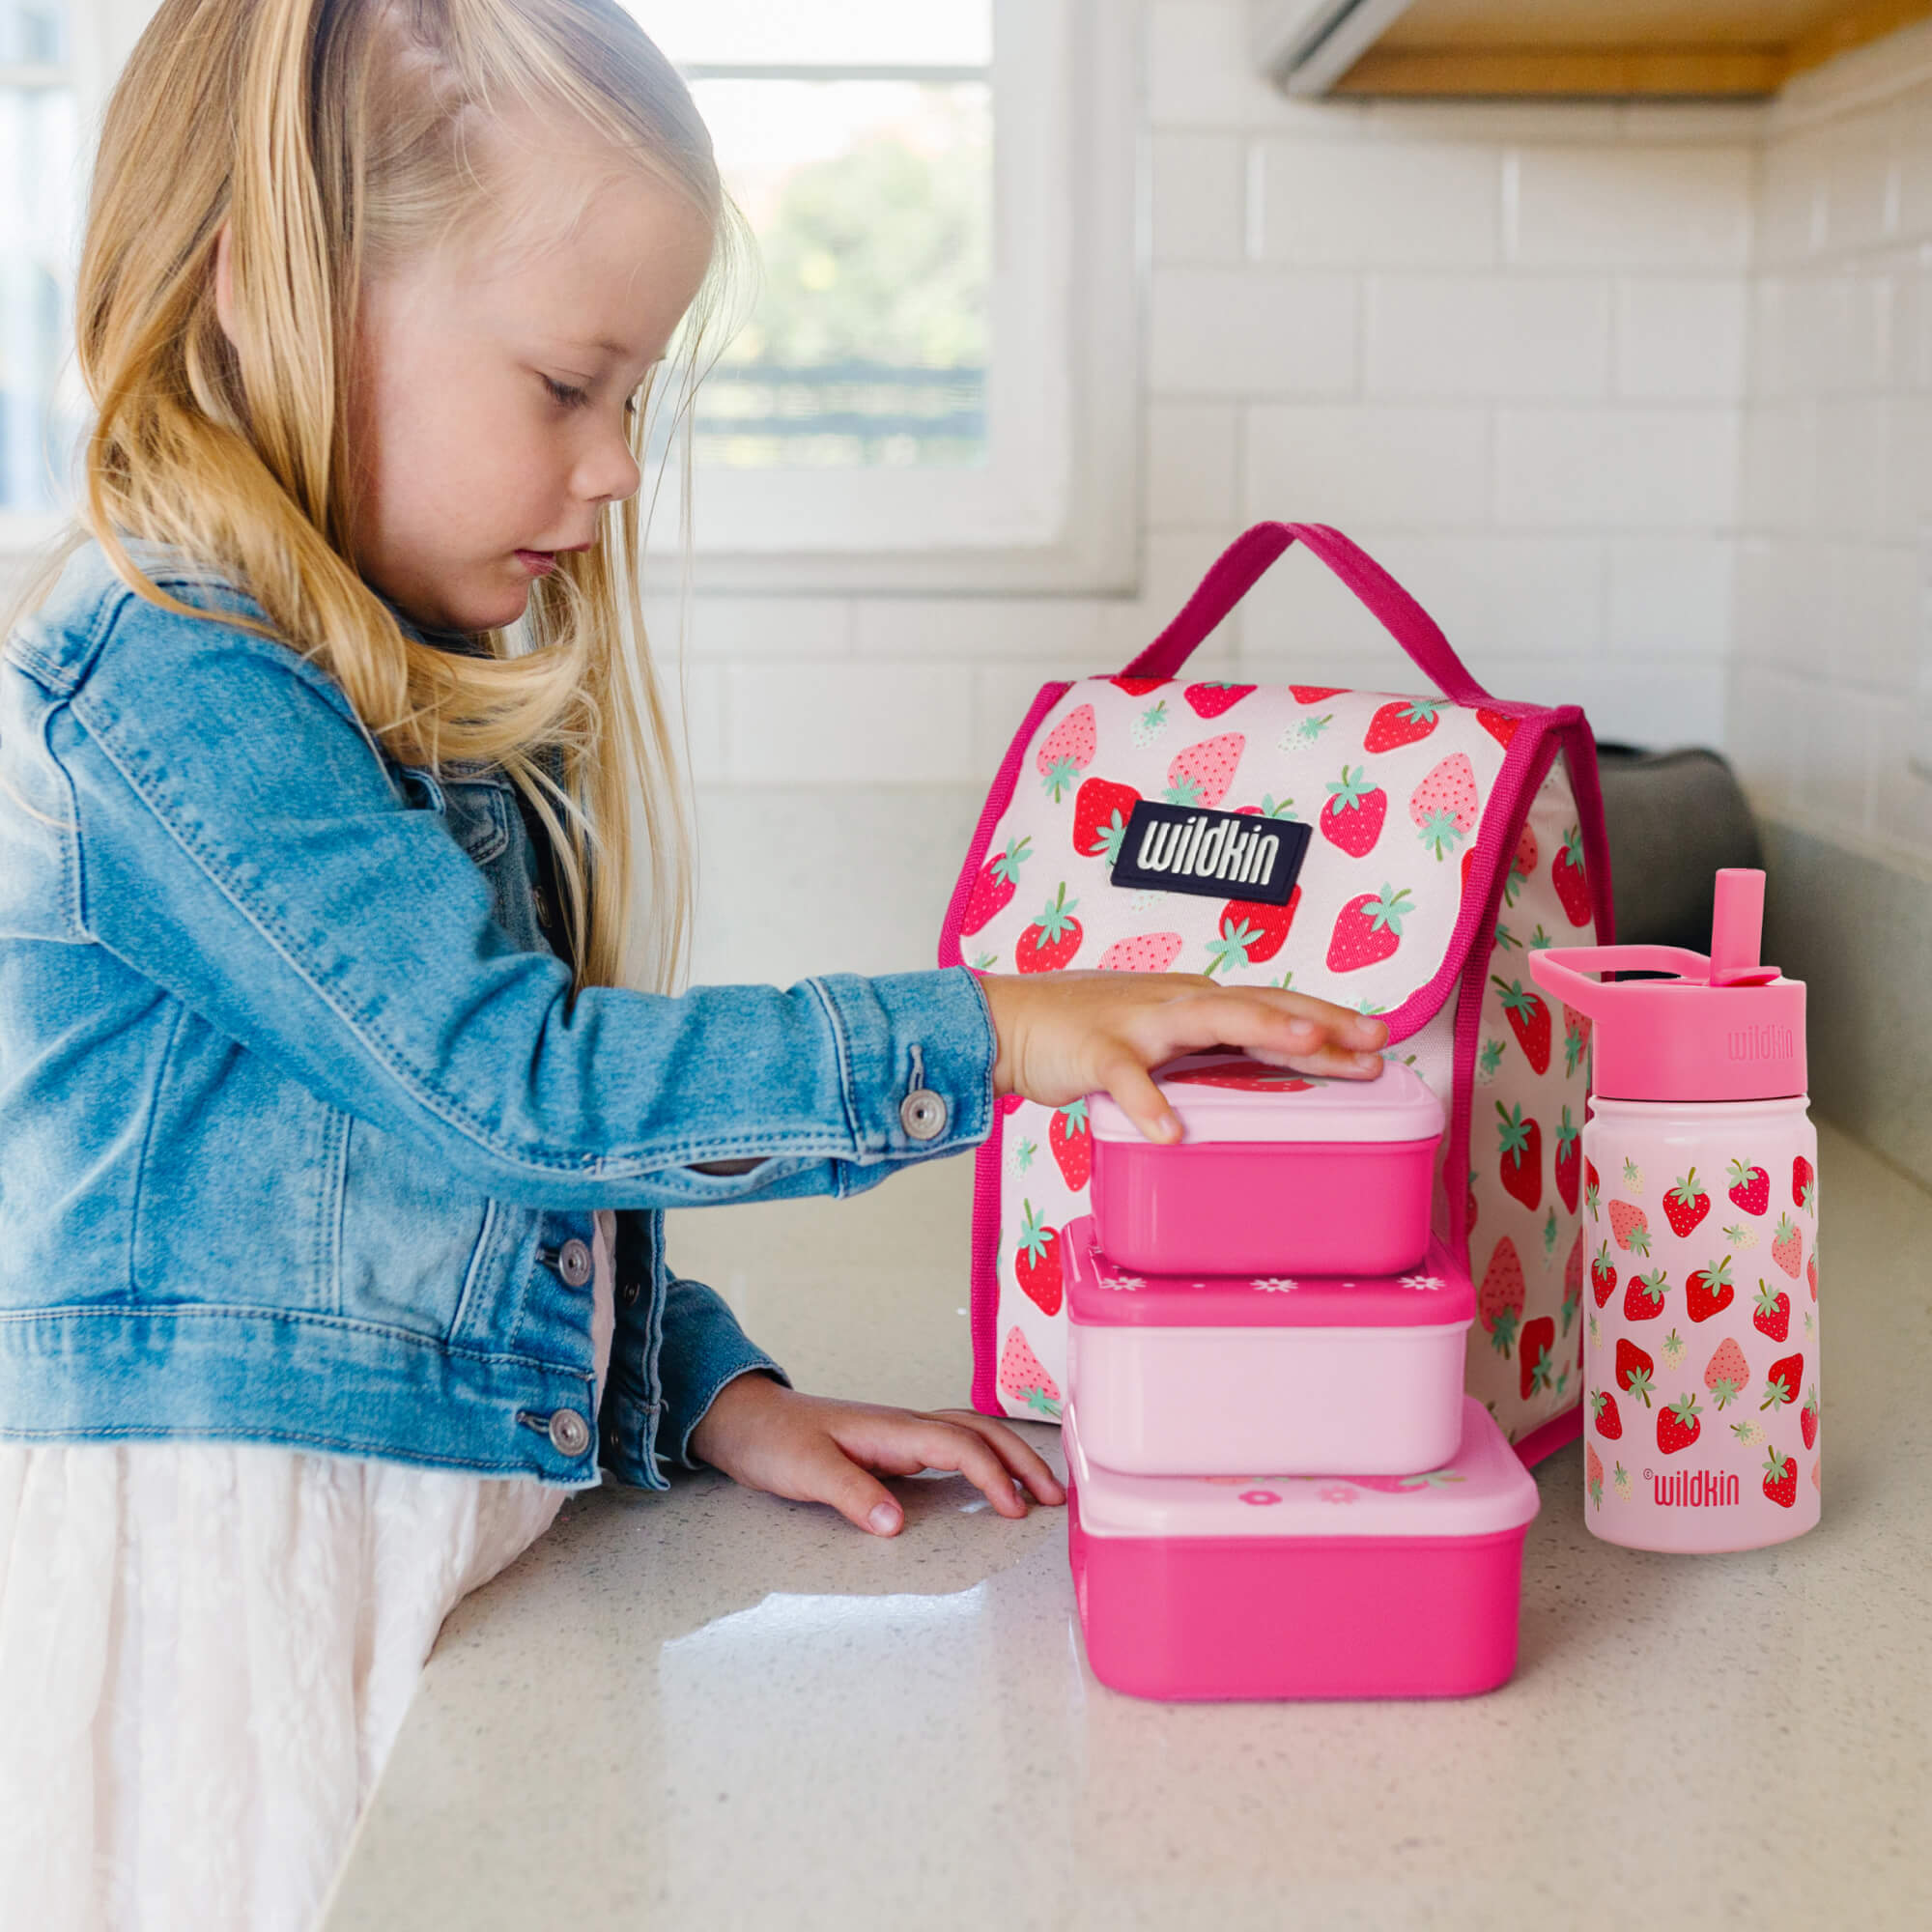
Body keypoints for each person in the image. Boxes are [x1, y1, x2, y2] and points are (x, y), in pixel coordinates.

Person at [0, 2, 1389, 1923]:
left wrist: (705, 1389)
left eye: (635, 396)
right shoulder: (172, 686)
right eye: (572, 383)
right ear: (273, 298)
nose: (619, 466)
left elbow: (433, 1213)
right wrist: (983, 1030)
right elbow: (507, 1093)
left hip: (385, 1581)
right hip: (229, 1618)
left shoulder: (374, 677)